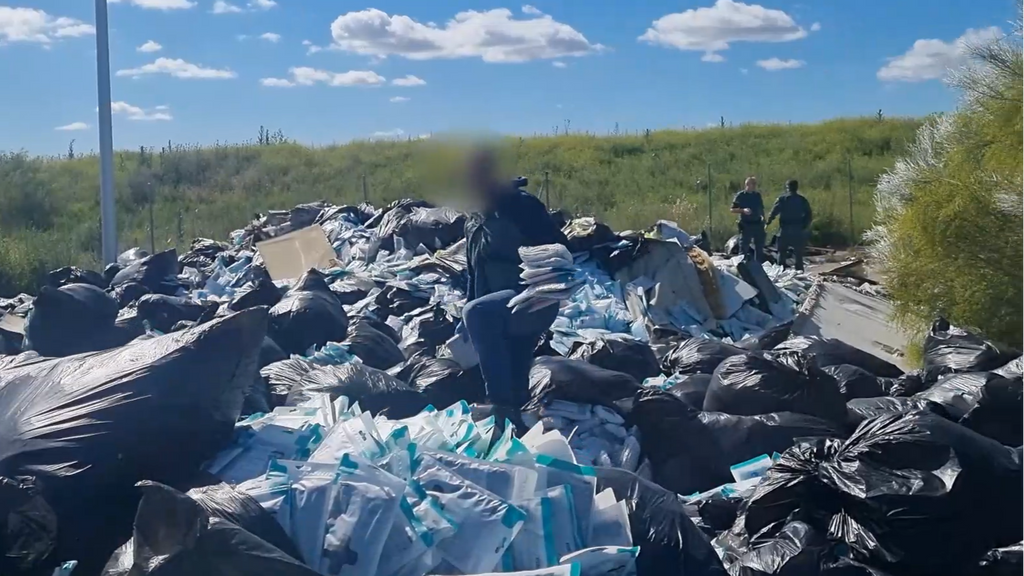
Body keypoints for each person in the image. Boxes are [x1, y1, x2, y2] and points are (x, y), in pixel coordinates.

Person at [461, 148, 569, 429]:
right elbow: (474, 271)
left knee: (478, 313)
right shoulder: (475, 217)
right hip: (499, 307)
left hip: (534, 300)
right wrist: (465, 322)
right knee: (515, 373)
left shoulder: (522, 207)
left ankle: (499, 408)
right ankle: (518, 424)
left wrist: (542, 285)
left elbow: (561, 251)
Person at [766, 179, 813, 271]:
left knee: (781, 253)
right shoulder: (802, 200)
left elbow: (773, 212)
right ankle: (800, 273)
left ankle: (779, 272)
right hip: (798, 229)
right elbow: (809, 214)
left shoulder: (782, 199)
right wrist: (804, 225)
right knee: (798, 255)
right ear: (797, 187)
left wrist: (768, 221)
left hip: (784, 230)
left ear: (787, 187)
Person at [730, 176, 766, 261]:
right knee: (744, 248)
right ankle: (742, 265)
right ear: (747, 184)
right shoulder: (741, 196)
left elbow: (761, 208)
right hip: (746, 224)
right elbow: (732, 209)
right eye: (752, 184)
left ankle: (758, 266)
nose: (754, 186)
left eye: (755, 184)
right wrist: (743, 210)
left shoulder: (757, 195)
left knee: (759, 247)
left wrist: (764, 219)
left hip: (757, 224)